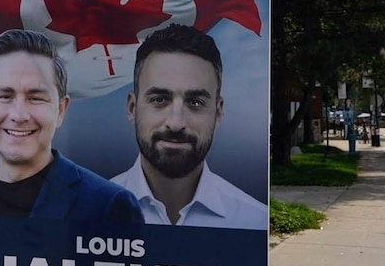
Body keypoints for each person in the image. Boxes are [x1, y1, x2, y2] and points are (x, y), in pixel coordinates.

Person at [0, 29, 143, 222]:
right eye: (5, 96)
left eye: (35, 98)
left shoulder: (111, 206)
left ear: (60, 109)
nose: (19, 115)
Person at [110, 24, 268, 230]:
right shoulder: (88, 216)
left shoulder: (255, 222)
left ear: (218, 112)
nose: (176, 123)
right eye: (159, 99)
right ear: (132, 107)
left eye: (195, 102)